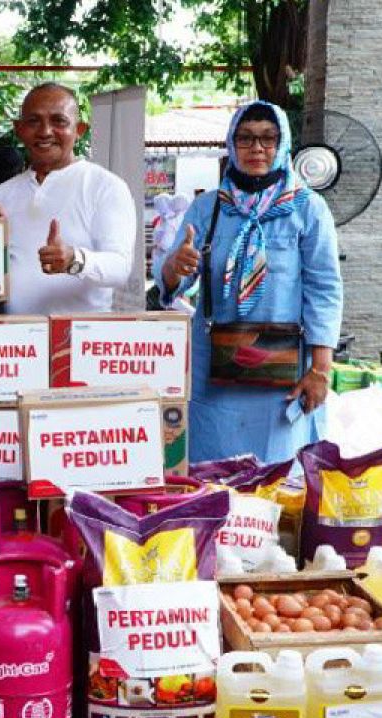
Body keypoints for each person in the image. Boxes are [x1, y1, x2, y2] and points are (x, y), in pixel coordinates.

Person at [155, 100, 342, 463]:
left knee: (275, 475)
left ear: (283, 143)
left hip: (281, 370)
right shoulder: (208, 208)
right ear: (231, 145)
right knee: (212, 473)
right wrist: (174, 268)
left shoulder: (307, 209)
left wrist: (321, 369)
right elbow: (173, 280)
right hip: (214, 370)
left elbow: (325, 290)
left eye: (268, 138)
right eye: (245, 138)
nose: (257, 148)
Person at [0, 82, 136, 315]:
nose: (45, 131)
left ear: (79, 129)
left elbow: (120, 268)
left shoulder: (105, 186)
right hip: (13, 342)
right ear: (18, 129)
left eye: (59, 121)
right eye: (33, 121)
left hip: (80, 341)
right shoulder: (0, 194)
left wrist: (74, 259)